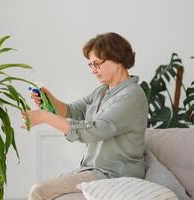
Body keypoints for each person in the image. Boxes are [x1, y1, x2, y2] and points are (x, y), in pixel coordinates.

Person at [21, 32, 148, 200]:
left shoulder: (131, 96)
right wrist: (49, 100)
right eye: (90, 65)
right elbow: (74, 111)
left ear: (117, 60)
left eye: (97, 64)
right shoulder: (102, 91)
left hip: (114, 174)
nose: (93, 71)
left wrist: (45, 117)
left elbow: (94, 131)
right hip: (93, 171)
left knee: (39, 191)